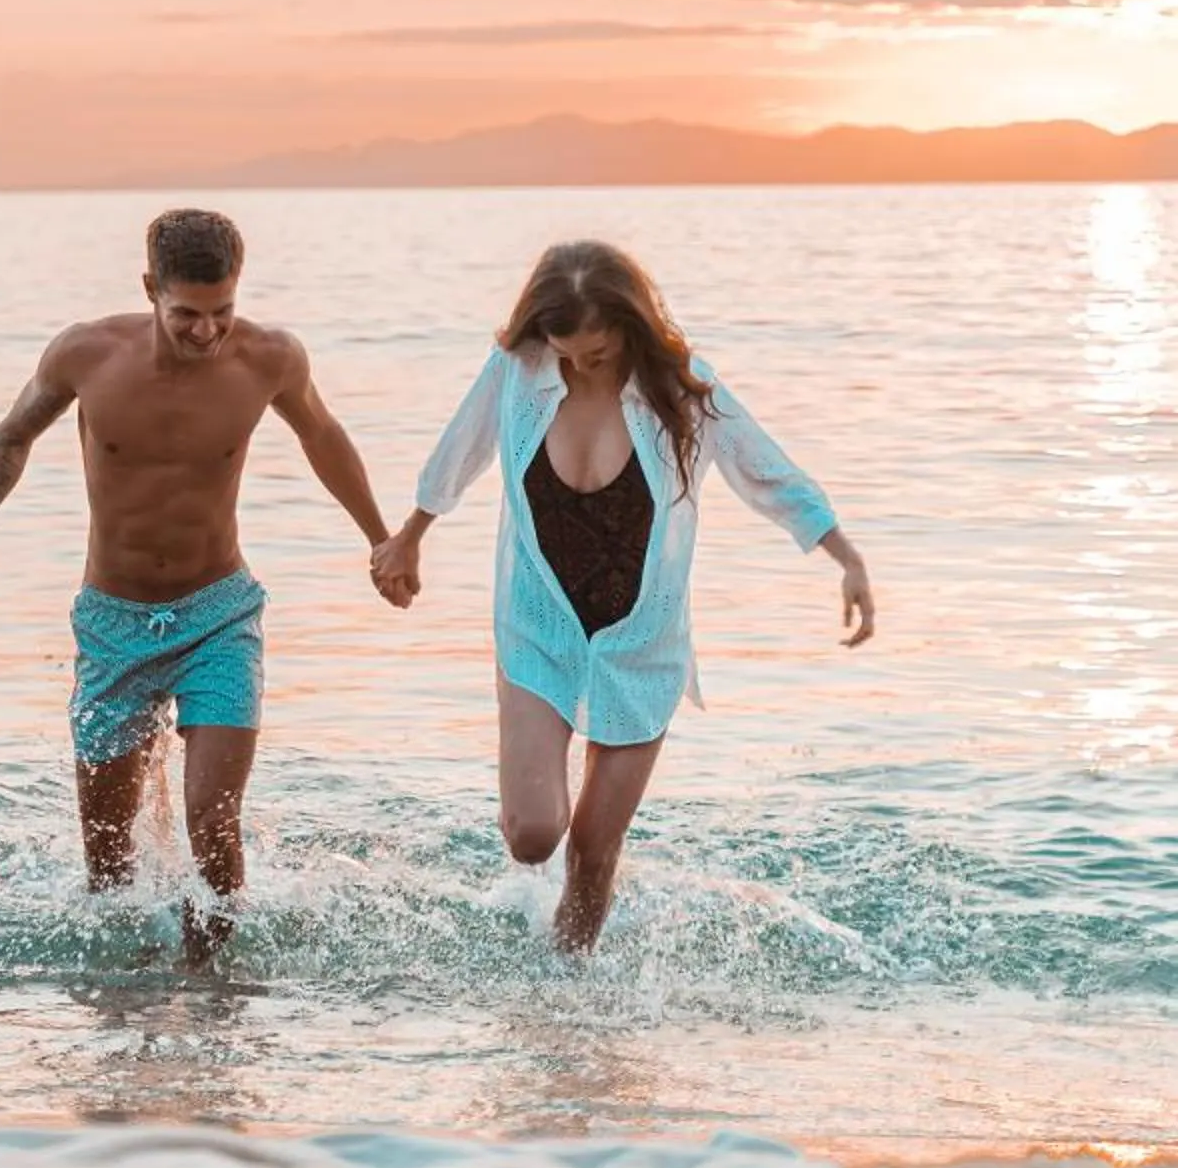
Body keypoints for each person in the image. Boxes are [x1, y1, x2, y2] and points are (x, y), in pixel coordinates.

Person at [366, 240, 877, 954]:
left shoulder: (682, 389)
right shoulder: (517, 373)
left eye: (598, 351)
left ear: (629, 328)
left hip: (642, 646)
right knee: (534, 838)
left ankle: (566, 998)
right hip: (537, 627)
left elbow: (769, 473)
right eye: (565, 349)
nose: (580, 364)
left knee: (593, 853)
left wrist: (844, 556)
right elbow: (463, 446)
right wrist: (409, 536)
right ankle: (534, 880)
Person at [0, 207, 394, 955]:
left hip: (219, 614)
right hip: (113, 621)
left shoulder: (270, 360)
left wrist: (382, 538)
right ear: (151, 289)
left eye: (222, 312)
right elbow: (12, 436)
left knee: (213, 824)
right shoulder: (86, 355)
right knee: (109, 867)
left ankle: (213, 998)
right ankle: (126, 1012)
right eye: (186, 314)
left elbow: (323, 435)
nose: (207, 332)